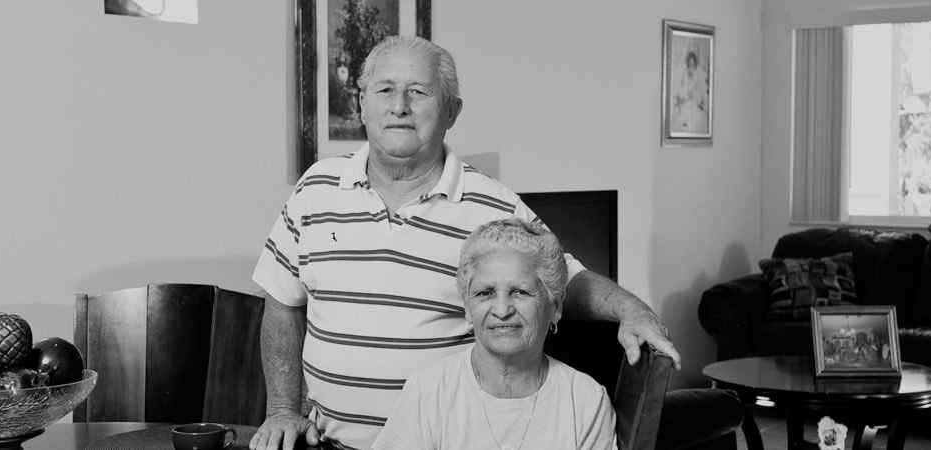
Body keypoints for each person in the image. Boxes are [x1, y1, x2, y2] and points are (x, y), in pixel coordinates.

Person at [249, 35, 679, 450]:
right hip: (328, 443)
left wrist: (631, 308)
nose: (399, 107)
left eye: (419, 92)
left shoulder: (491, 204)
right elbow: (282, 304)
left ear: (452, 111)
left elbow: (558, 276)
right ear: (362, 103)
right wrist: (283, 409)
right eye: (385, 90)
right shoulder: (315, 188)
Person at [373, 218, 617, 449]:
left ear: (555, 307)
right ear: (468, 308)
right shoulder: (428, 392)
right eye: (485, 293)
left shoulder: (586, 400)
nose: (502, 310)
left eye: (520, 292)